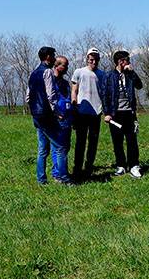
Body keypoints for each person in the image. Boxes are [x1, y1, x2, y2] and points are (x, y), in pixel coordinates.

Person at [26, 46, 69, 185]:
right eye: (53, 56)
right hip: (46, 115)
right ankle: (63, 178)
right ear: (48, 57)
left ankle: (41, 179)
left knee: (42, 150)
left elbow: (28, 96)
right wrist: (58, 113)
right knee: (60, 147)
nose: (55, 58)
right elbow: (51, 96)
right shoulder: (47, 72)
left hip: (36, 116)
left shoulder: (33, 73)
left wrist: (34, 110)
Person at [101, 50, 143, 178]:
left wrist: (132, 72)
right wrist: (106, 113)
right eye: (127, 60)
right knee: (117, 141)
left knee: (132, 140)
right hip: (115, 114)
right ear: (121, 61)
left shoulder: (130, 75)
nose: (129, 62)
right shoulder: (109, 76)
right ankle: (121, 166)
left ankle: (134, 166)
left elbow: (139, 86)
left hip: (129, 113)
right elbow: (104, 95)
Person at [70, 47, 105, 180]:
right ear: (87, 59)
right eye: (91, 59)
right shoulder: (79, 72)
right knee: (80, 141)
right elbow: (74, 89)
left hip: (96, 112)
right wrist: (74, 102)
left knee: (93, 141)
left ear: (98, 60)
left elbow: (103, 93)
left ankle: (89, 166)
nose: (93, 62)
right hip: (82, 112)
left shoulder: (102, 74)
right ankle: (77, 167)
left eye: (95, 59)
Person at [48, 55, 74, 184]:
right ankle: (63, 177)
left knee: (62, 148)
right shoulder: (50, 81)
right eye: (65, 65)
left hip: (67, 119)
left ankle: (57, 173)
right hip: (57, 120)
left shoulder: (65, 83)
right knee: (60, 149)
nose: (67, 68)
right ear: (57, 66)